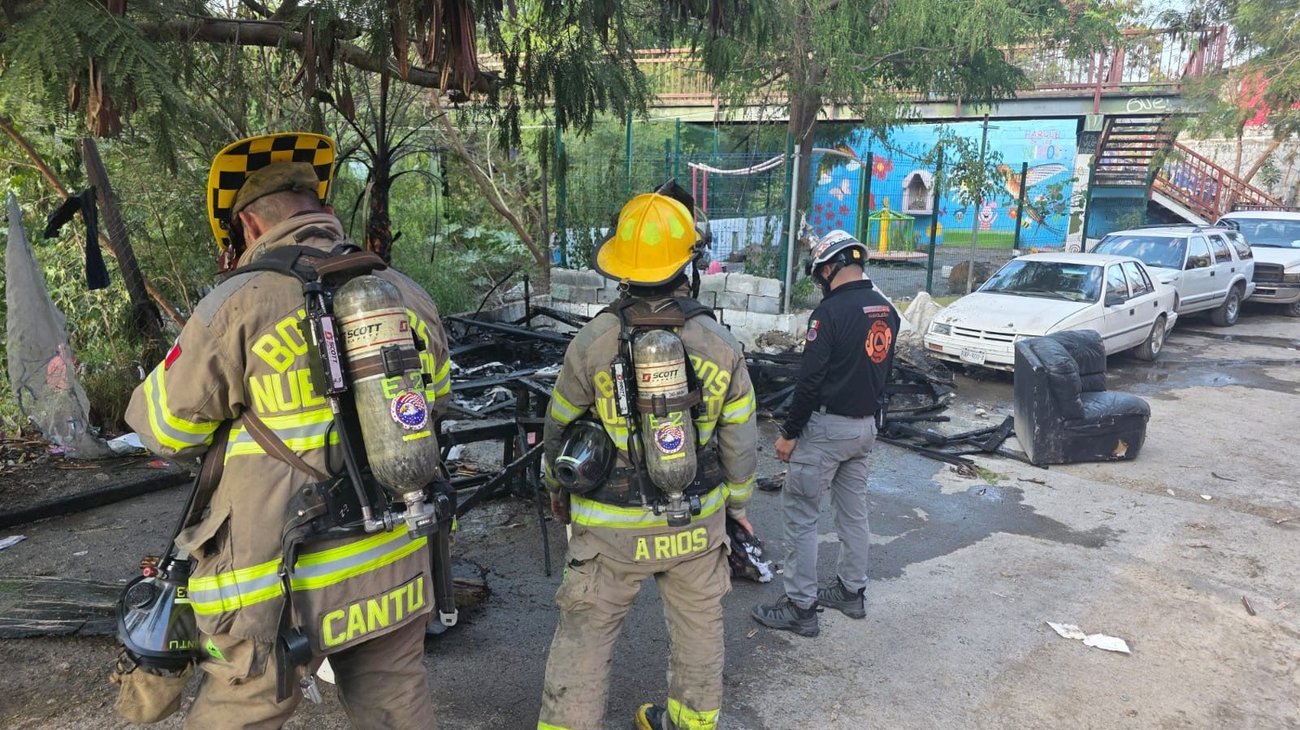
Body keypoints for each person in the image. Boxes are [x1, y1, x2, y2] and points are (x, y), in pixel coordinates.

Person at [125, 132, 452, 728]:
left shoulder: (239, 303)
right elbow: (435, 405)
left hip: (278, 582)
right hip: (394, 559)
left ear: (249, 225)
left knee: (240, 710)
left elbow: (164, 429)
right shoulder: (407, 295)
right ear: (323, 211)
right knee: (397, 705)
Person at [537, 182, 758, 730]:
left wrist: (555, 488)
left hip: (610, 535)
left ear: (621, 270)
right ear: (690, 266)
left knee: (584, 640)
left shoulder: (591, 342)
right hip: (695, 526)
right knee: (700, 632)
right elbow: (741, 440)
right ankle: (689, 723)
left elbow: (558, 431)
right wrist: (739, 503)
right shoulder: (721, 344)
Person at [751, 229, 900, 638]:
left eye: (821, 274)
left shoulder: (829, 315)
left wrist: (789, 433)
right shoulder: (886, 310)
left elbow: (810, 381)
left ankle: (801, 607)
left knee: (801, 516)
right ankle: (852, 591)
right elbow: (884, 371)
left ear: (831, 267)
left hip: (826, 430)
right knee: (854, 513)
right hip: (866, 428)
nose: (820, 282)